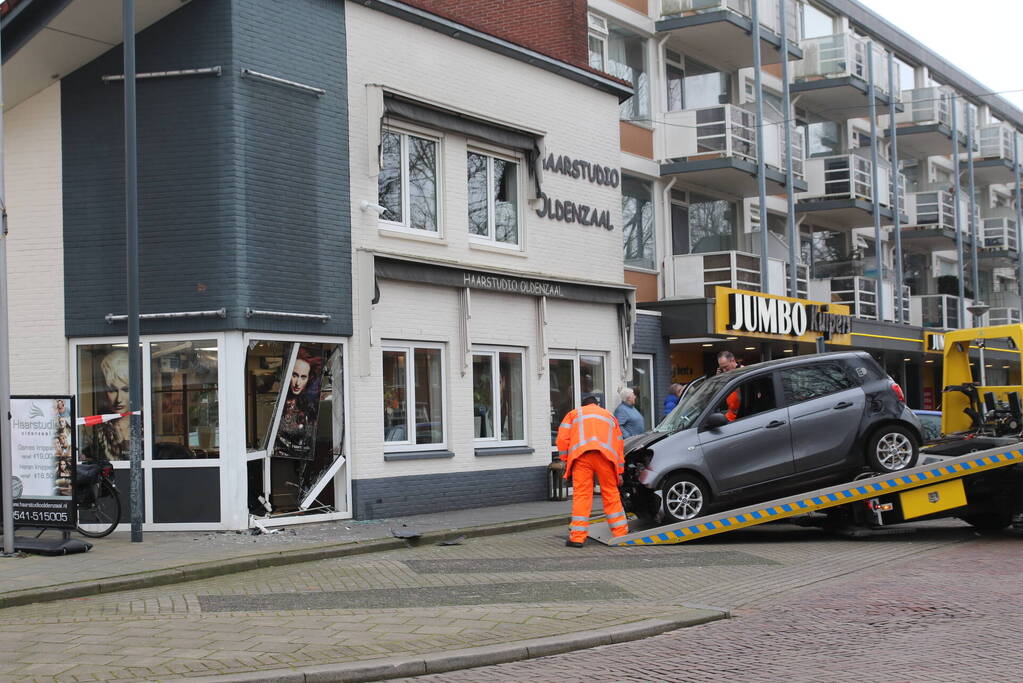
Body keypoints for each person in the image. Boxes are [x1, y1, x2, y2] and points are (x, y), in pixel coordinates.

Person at [556, 396, 628, 547]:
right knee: (610, 493)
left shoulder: (574, 414)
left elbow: (562, 439)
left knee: (582, 495)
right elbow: (619, 444)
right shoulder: (609, 416)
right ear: (597, 404)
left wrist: (565, 459)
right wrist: (620, 470)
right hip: (605, 457)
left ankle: (577, 538)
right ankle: (620, 534)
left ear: (583, 405)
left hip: (582, 458)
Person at [272, 347, 323, 460]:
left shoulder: (311, 407)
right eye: (294, 375)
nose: (297, 383)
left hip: (303, 454)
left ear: (309, 378)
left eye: (303, 377)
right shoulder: (280, 402)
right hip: (281, 457)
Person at [89, 349, 131, 461]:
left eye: (126, 390)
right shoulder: (99, 431)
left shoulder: (145, 426)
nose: (119, 399)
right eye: (112, 390)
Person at [717, 351, 742, 421]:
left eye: (726, 367)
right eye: (722, 368)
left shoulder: (743, 374)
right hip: (729, 415)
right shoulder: (728, 376)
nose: (724, 371)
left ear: (733, 360)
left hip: (739, 417)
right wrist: (718, 379)